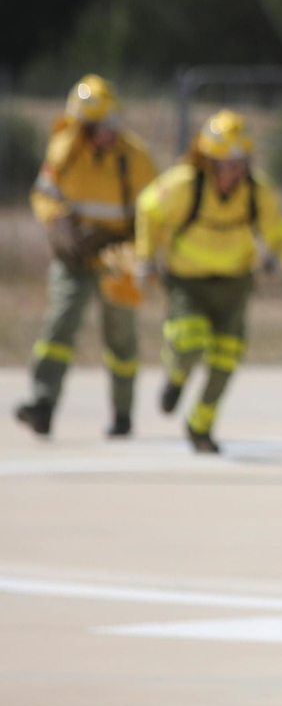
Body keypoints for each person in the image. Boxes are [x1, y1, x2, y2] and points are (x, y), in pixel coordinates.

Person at [136, 109, 282, 453]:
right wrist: (146, 258)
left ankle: (200, 426)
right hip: (187, 281)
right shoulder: (184, 183)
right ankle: (176, 377)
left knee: (226, 359)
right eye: (227, 162)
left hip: (235, 284)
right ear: (209, 161)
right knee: (189, 342)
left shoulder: (256, 191)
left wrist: (275, 257)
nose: (235, 170)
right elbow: (148, 209)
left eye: (241, 161)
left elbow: (280, 234)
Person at [15, 75, 158, 439]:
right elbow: (43, 193)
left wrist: (144, 256)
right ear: (81, 124)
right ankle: (43, 404)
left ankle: (122, 415)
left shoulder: (135, 156)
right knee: (60, 323)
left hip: (118, 254)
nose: (107, 132)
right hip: (74, 255)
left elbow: (153, 210)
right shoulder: (65, 148)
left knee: (121, 336)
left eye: (112, 124)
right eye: (97, 126)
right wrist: (56, 219)